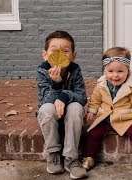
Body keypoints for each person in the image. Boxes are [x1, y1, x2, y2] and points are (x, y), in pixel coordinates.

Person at [82, 47, 132, 174]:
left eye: (120, 71)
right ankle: (89, 157)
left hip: (126, 118)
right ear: (105, 71)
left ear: (128, 71)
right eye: (110, 71)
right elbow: (96, 99)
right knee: (93, 133)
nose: (115, 75)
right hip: (106, 117)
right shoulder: (101, 84)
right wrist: (92, 111)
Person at [36, 30, 88, 179]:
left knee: (77, 106)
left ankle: (71, 159)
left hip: (71, 115)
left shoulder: (75, 71)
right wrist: (57, 84)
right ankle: (53, 154)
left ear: (73, 55)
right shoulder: (42, 72)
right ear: (45, 54)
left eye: (65, 51)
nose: (60, 55)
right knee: (46, 108)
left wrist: (65, 96)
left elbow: (82, 97)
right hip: (51, 114)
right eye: (54, 51)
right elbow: (45, 100)